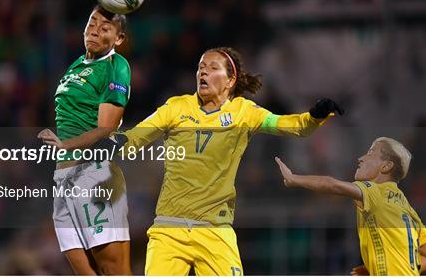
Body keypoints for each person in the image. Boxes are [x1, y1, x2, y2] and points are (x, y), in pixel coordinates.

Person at [115, 46, 343, 275]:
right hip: (169, 229)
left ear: (230, 81)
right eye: (201, 67)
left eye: (213, 68)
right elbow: (133, 139)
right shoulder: (176, 107)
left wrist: (314, 117)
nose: (203, 72)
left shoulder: (244, 112)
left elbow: (292, 126)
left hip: (215, 231)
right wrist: (98, 145)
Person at [38, 5, 132, 275]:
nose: (94, 30)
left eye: (105, 28)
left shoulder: (116, 66)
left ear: (119, 38)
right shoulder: (77, 64)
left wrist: (66, 144)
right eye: (92, 23)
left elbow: (107, 127)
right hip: (64, 180)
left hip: (93, 176)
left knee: (115, 271)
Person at [275, 137, 426, 275]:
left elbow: (332, 185)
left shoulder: (375, 191)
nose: (361, 158)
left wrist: (294, 178)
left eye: (371, 152)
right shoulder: (407, 208)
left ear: (386, 166)